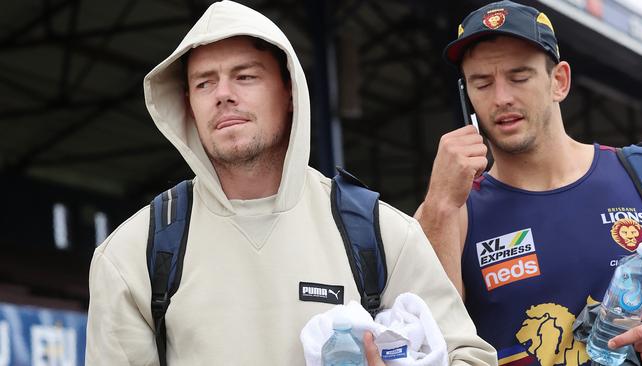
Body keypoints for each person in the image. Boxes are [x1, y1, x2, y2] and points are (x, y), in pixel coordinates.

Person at [85, 1, 497, 365]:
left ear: (290, 92)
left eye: (245, 76)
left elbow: (470, 356)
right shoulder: (133, 255)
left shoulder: (379, 233)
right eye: (204, 82)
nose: (223, 94)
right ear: (187, 106)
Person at [415, 1, 642, 365]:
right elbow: (426, 344)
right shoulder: (452, 212)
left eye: (519, 77)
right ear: (467, 97)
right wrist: (440, 204)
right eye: (482, 83)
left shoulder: (640, 171)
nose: (501, 98)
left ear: (559, 81)